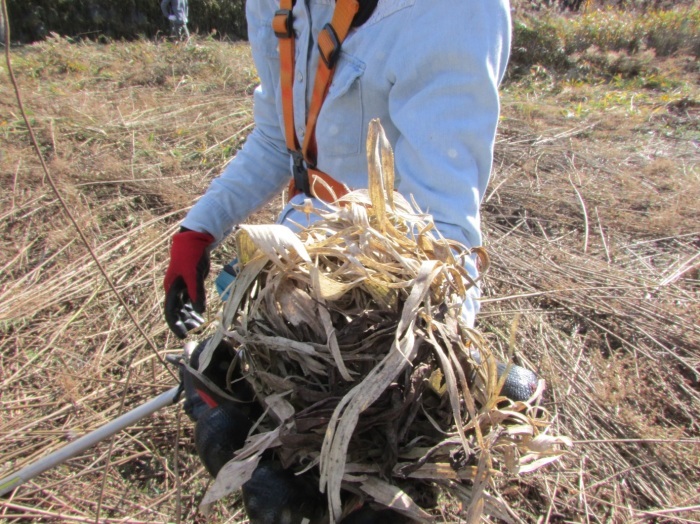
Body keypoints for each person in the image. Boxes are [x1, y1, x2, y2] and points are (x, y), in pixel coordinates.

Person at [164, 0, 512, 521]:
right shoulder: (275, 5)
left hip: (375, 311)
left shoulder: (452, 10)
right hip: (292, 273)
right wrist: (198, 229)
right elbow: (278, 139)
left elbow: (445, 237)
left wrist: (389, 386)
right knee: (222, 394)